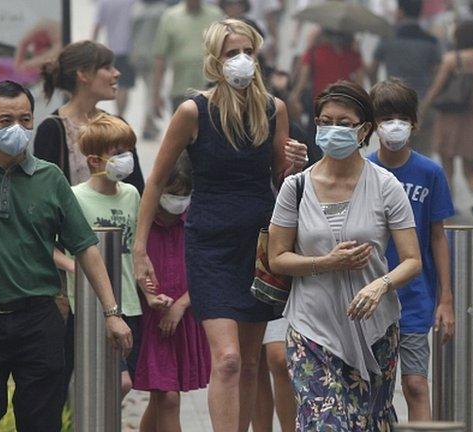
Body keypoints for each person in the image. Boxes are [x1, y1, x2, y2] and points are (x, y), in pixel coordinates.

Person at [0, 80, 132, 432]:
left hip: (39, 318)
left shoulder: (50, 178)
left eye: (25, 119)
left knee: (41, 419)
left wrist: (111, 312)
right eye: (5, 120)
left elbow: (85, 247)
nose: (17, 128)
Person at [133, 19, 308, 431]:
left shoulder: (273, 109)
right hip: (210, 243)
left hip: (259, 244)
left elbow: (281, 181)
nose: (242, 61)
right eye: (232, 53)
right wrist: (140, 249)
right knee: (227, 359)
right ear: (215, 60)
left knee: (250, 361)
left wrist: (295, 163)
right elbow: (155, 179)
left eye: (248, 51)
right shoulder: (194, 111)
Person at [269, 81, 422, 430]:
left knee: (369, 420)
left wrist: (380, 285)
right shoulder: (297, 187)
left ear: (364, 129)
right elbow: (277, 257)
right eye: (325, 121)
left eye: (344, 123)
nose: (333, 129)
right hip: (311, 327)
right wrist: (325, 263)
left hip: (375, 329)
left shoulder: (385, 186)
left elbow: (413, 260)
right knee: (324, 421)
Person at [367, 78, 455, 422]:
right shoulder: (364, 171)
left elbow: (437, 237)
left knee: (416, 384)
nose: (394, 125)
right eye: (386, 118)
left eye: (401, 118)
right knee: (374, 388)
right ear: (373, 125)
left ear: (414, 123)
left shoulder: (430, 172)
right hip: (371, 297)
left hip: (416, 298)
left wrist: (445, 299)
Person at [62, 113, 145, 397]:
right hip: (89, 305)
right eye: (118, 153)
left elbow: (135, 247)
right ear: (94, 160)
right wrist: (75, 267)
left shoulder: (132, 194)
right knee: (113, 382)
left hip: (130, 303)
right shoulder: (73, 197)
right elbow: (48, 246)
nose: (127, 158)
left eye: (129, 150)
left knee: (119, 383)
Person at [134, 152, 211, 432]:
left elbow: (208, 270)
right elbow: (130, 267)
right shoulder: (141, 224)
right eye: (171, 193)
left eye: (184, 194)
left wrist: (180, 306)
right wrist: (150, 296)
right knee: (166, 396)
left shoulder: (194, 221)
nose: (178, 200)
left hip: (183, 317)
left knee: (161, 397)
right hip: (151, 320)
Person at [36, 40, 145, 192]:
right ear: (83, 75)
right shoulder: (52, 128)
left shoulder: (118, 125)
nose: (117, 73)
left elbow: (137, 188)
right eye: (107, 68)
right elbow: (45, 192)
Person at [422, 20, 473, 194]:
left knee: (447, 174)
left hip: (449, 120)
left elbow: (435, 91)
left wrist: (420, 113)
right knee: (470, 174)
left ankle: (447, 214)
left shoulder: (450, 60)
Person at [369, 0, 442, 155]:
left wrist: (378, 92)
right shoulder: (431, 41)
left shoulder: (387, 37)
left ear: (400, 12)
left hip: (392, 104)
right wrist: (429, 101)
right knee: (422, 156)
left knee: (392, 154)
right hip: (422, 105)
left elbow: (372, 68)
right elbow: (438, 75)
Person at [151, 0, 223, 116]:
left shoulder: (216, 15)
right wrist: (156, 95)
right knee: (182, 131)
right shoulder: (171, 16)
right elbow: (160, 57)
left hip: (212, 90)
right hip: (181, 91)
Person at [289, 29, 366, 124]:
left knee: (316, 133)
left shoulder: (314, 51)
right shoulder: (353, 54)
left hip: (319, 103)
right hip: (344, 103)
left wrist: (295, 95)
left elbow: (303, 79)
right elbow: (360, 82)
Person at [130, 0, 169, 140]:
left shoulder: (137, 9)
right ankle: (148, 124)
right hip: (155, 56)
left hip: (139, 54)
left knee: (149, 90)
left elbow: (132, 33)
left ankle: (150, 123)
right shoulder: (162, 11)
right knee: (153, 90)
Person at [92, 0, 138, 117]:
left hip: (111, 49)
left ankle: (119, 114)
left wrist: (91, 48)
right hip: (129, 49)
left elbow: (97, 25)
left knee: (115, 82)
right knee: (124, 85)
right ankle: (121, 114)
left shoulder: (104, 2)